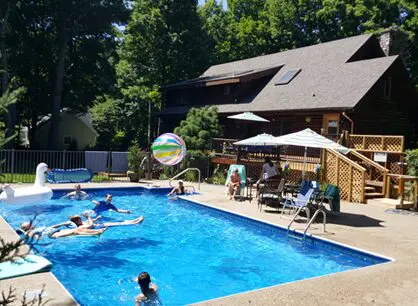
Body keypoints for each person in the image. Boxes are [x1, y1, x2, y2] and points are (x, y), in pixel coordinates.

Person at [18, 221, 107, 239]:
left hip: (55, 231)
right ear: (27, 228)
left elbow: (50, 227)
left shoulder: (37, 228)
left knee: (79, 228)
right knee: (74, 232)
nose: (31, 224)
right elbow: (37, 238)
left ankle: (97, 232)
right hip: (52, 235)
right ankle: (97, 233)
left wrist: (61, 224)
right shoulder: (30, 232)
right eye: (29, 224)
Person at [69, 213, 144, 229]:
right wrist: (88, 217)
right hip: (101, 226)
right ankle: (136, 223)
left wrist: (96, 218)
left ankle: (134, 221)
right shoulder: (81, 227)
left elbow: (91, 221)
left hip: (101, 224)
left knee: (118, 223)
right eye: (79, 219)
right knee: (119, 224)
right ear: (76, 222)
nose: (80, 219)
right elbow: (91, 225)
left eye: (80, 218)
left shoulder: (82, 223)